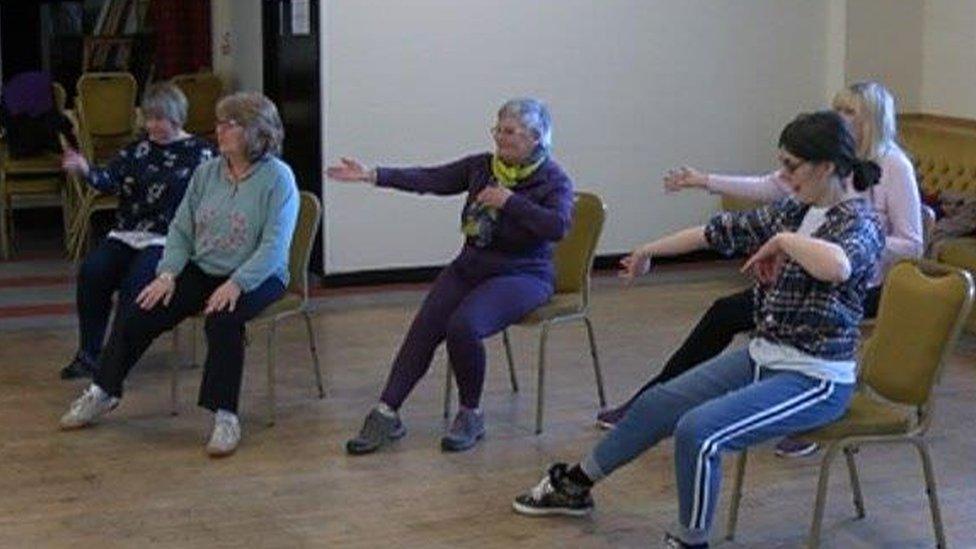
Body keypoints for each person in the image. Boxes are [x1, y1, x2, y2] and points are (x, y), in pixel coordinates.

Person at [512, 111, 884, 549]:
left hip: (817, 379)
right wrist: (649, 250)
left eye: (792, 166)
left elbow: (837, 265)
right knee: (655, 404)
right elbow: (714, 232)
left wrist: (784, 243)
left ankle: (691, 541)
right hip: (763, 358)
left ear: (825, 167)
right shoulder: (798, 210)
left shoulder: (859, 222)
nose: (783, 176)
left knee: (698, 433)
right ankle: (575, 485)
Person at [597, 82, 921, 461]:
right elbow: (766, 194)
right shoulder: (808, 190)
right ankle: (653, 400)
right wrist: (703, 184)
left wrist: (809, 248)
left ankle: (799, 414)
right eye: (838, 109)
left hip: (861, 289)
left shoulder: (886, 172)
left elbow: (900, 246)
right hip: (794, 297)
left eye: (850, 112)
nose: (840, 117)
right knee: (724, 315)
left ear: (872, 120)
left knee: (723, 403)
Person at [326, 97, 574, 454]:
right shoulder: (482, 167)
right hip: (472, 264)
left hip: (524, 274)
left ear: (536, 138)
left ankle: (471, 414)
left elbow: (558, 226)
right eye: (497, 129)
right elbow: (432, 178)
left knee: (464, 326)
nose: (500, 139)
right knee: (426, 325)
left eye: (510, 132)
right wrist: (373, 175)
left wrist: (510, 203)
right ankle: (387, 411)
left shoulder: (553, 180)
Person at [58, 92, 299, 458]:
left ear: (255, 131)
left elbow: (274, 247)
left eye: (228, 124)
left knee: (222, 318)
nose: (218, 130)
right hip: (206, 266)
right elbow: (182, 229)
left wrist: (236, 283)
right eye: (218, 123)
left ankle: (225, 415)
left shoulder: (278, 179)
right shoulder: (207, 173)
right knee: (140, 308)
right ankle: (104, 391)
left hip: (259, 275)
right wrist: (168, 273)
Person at [59, 82, 216, 380]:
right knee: (93, 272)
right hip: (127, 233)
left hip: (169, 238)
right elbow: (108, 180)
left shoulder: (202, 154)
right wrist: (83, 167)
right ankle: (88, 354)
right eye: (149, 118)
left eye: (159, 119)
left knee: (137, 282)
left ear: (177, 118)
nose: (152, 125)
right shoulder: (138, 150)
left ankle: (116, 359)